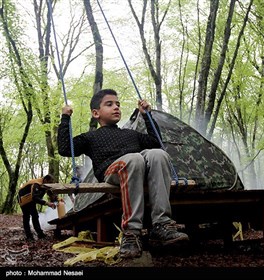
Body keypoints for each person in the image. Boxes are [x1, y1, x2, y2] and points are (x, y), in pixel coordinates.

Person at [57, 88, 189, 258]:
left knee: (159, 154)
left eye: (118, 104)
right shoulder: (90, 138)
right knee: (134, 159)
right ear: (96, 113)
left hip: (136, 166)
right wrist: (65, 118)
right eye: (109, 104)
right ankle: (131, 233)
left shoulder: (130, 134)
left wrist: (146, 116)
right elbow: (65, 149)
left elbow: (156, 142)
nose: (116, 107)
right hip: (113, 171)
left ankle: (162, 225)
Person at [17, 174, 57, 241]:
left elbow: (51, 194)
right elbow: (35, 197)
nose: (50, 185)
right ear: (45, 180)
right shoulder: (36, 184)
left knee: (35, 215)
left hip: (30, 199)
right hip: (23, 199)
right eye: (50, 183)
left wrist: (58, 199)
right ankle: (29, 236)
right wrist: (47, 203)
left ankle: (40, 234)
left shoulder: (45, 185)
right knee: (26, 216)